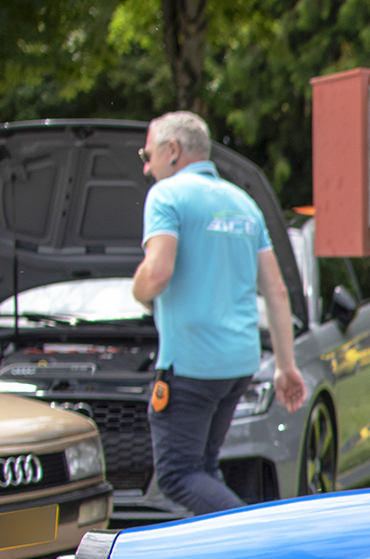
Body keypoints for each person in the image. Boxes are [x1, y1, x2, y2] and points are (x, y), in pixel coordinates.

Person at [132, 110, 306, 514]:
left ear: (171, 150)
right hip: (238, 364)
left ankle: (254, 537)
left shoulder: (166, 195)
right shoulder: (243, 203)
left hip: (191, 363)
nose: (146, 165)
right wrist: (285, 365)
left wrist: (138, 290)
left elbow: (157, 273)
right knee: (204, 469)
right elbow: (276, 290)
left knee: (177, 474)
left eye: (148, 153)